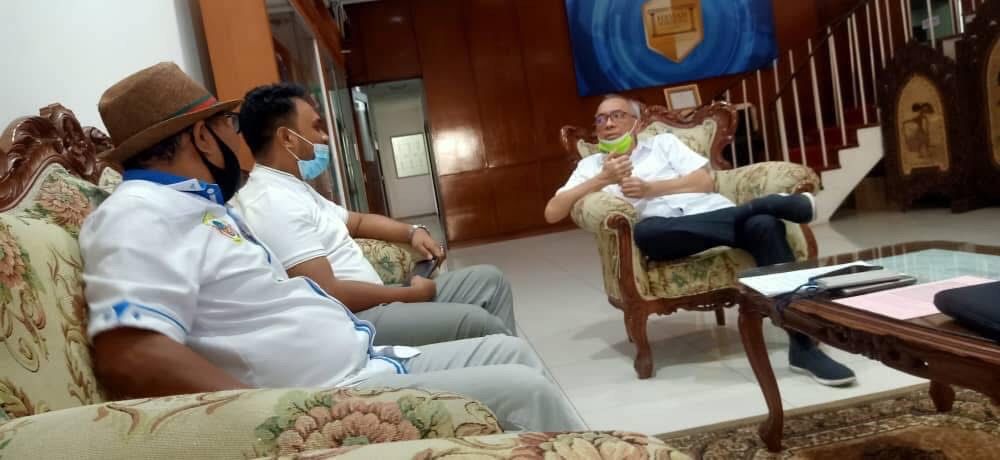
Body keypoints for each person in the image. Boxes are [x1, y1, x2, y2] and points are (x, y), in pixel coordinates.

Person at [81, 62, 585, 432]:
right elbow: (130, 354)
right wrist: (274, 418)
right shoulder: (139, 213)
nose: (238, 140)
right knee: (528, 392)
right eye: (227, 126)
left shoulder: (199, 206)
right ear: (202, 137)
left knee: (511, 351)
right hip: (328, 397)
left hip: (365, 360)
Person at [544, 94, 857, 387]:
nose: (608, 124)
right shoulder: (590, 166)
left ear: (636, 124)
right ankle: (761, 205)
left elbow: (705, 181)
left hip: (712, 214)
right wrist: (603, 179)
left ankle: (803, 348)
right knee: (648, 232)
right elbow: (552, 212)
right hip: (667, 235)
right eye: (601, 119)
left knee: (765, 226)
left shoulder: (664, 144)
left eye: (617, 115)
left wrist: (652, 189)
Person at [232, 83, 514, 347]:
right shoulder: (271, 202)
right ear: (287, 138)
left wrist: (412, 232)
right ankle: (509, 368)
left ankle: (508, 366)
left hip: (378, 300)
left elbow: (357, 222)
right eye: (316, 127)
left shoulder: (293, 188)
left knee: (490, 281)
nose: (324, 137)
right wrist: (408, 295)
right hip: (356, 320)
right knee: (479, 323)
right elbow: (327, 292)